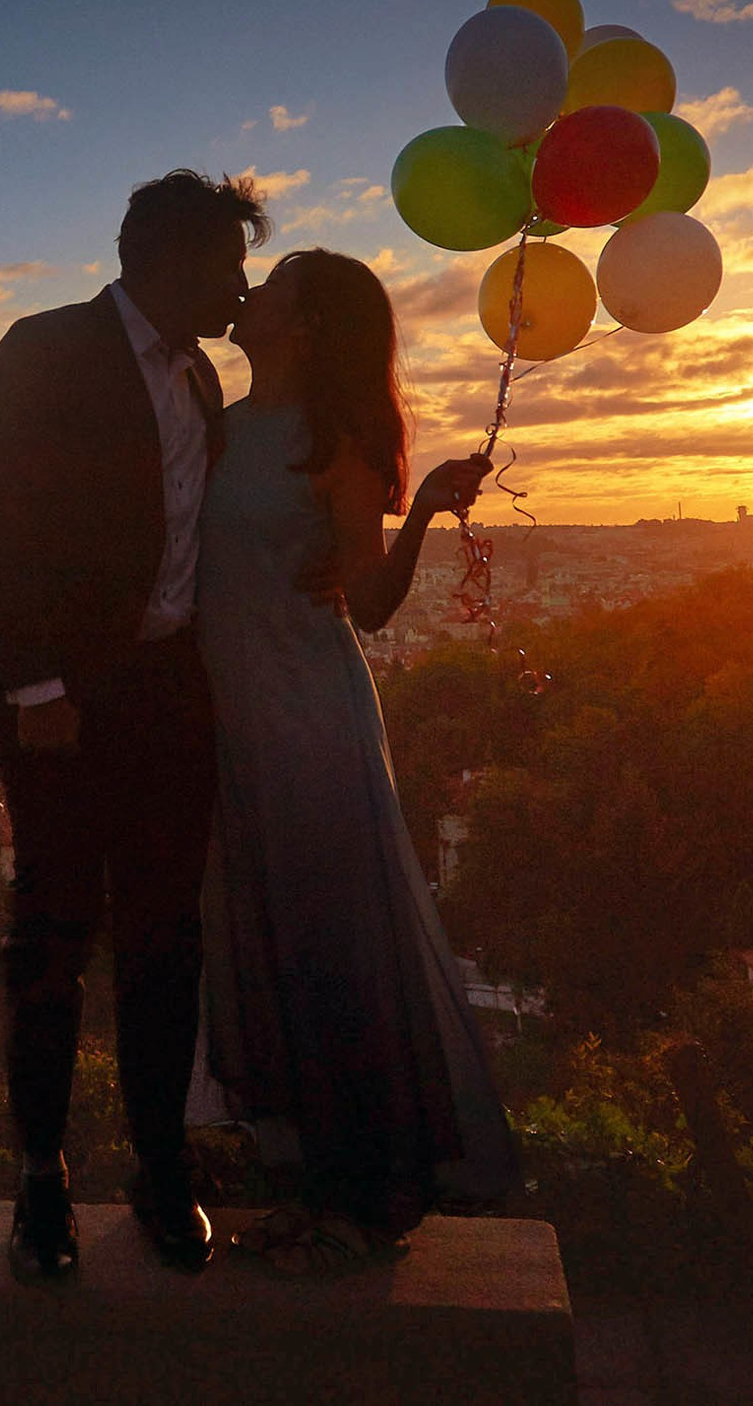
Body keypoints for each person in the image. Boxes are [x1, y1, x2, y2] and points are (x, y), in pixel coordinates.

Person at [0, 169, 271, 1279]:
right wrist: (35, 687)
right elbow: (2, 516)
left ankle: (159, 1167)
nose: (240, 283)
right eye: (228, 263)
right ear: (169, 260)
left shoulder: (204, 381)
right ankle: (42, 1177)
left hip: (166, 688)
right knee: (52, 936)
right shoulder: (45, 348)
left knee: (164, 940)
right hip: (62, 699)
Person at [193, 247, 520, 1273]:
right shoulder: (211, 424)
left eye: (275, 282)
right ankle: (317, 1188)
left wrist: (419, 507)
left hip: (309, 716)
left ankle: (366, 1194)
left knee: (335, 952)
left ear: (304, 324)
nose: (249, 291)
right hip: (232, 722)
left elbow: (369, 607)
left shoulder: (330, 443)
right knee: (280, 950)